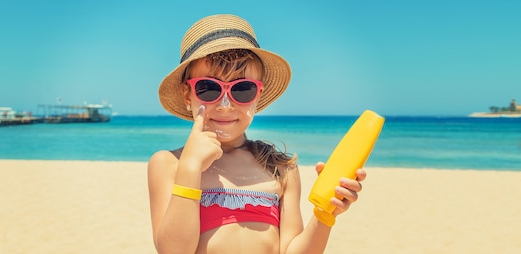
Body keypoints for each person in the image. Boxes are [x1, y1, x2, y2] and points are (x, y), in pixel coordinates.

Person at [148, 14, 366, 254]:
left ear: (258, 95)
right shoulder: (169, 164)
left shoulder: (280, 168)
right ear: (187, 94)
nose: (225, 104)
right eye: (209, 88)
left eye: (242, 89)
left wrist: (325, 214)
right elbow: (173, 250)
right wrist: (190, 168)